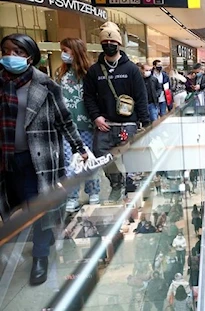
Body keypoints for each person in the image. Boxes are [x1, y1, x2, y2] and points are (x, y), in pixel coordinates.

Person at [1, 33, 87, 285]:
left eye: (17, 52)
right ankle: (43, 237)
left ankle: (40, 255)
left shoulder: (46, 85)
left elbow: (64, 120)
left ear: (30, 56)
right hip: (7, 159)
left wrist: (80, 148)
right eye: (6, 51)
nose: (11, 57)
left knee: (38, 206)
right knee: (17, 205)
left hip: (39, 159)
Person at [83, 22, 150, 202]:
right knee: (101, 155)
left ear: (119, 44)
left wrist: (146, 123)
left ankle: (131, 183)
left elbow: (141, 96)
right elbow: (88, 96)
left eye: (113, 42)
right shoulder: (94, 71)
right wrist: (96, 116)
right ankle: (116, 183)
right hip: (105, 124)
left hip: (128, 123)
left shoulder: (131, 70)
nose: (109, 45)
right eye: (105, 42)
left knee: (131, 156)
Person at [57, 37, 100, 212]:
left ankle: (93, 192)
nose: (63, 55)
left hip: (87, 124)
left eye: (66, 51)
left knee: (88, 159)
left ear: (75, 51)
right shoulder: (61, 74)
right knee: (69, 162)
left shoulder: (90, 73)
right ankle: (72, 196)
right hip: (67, 126)